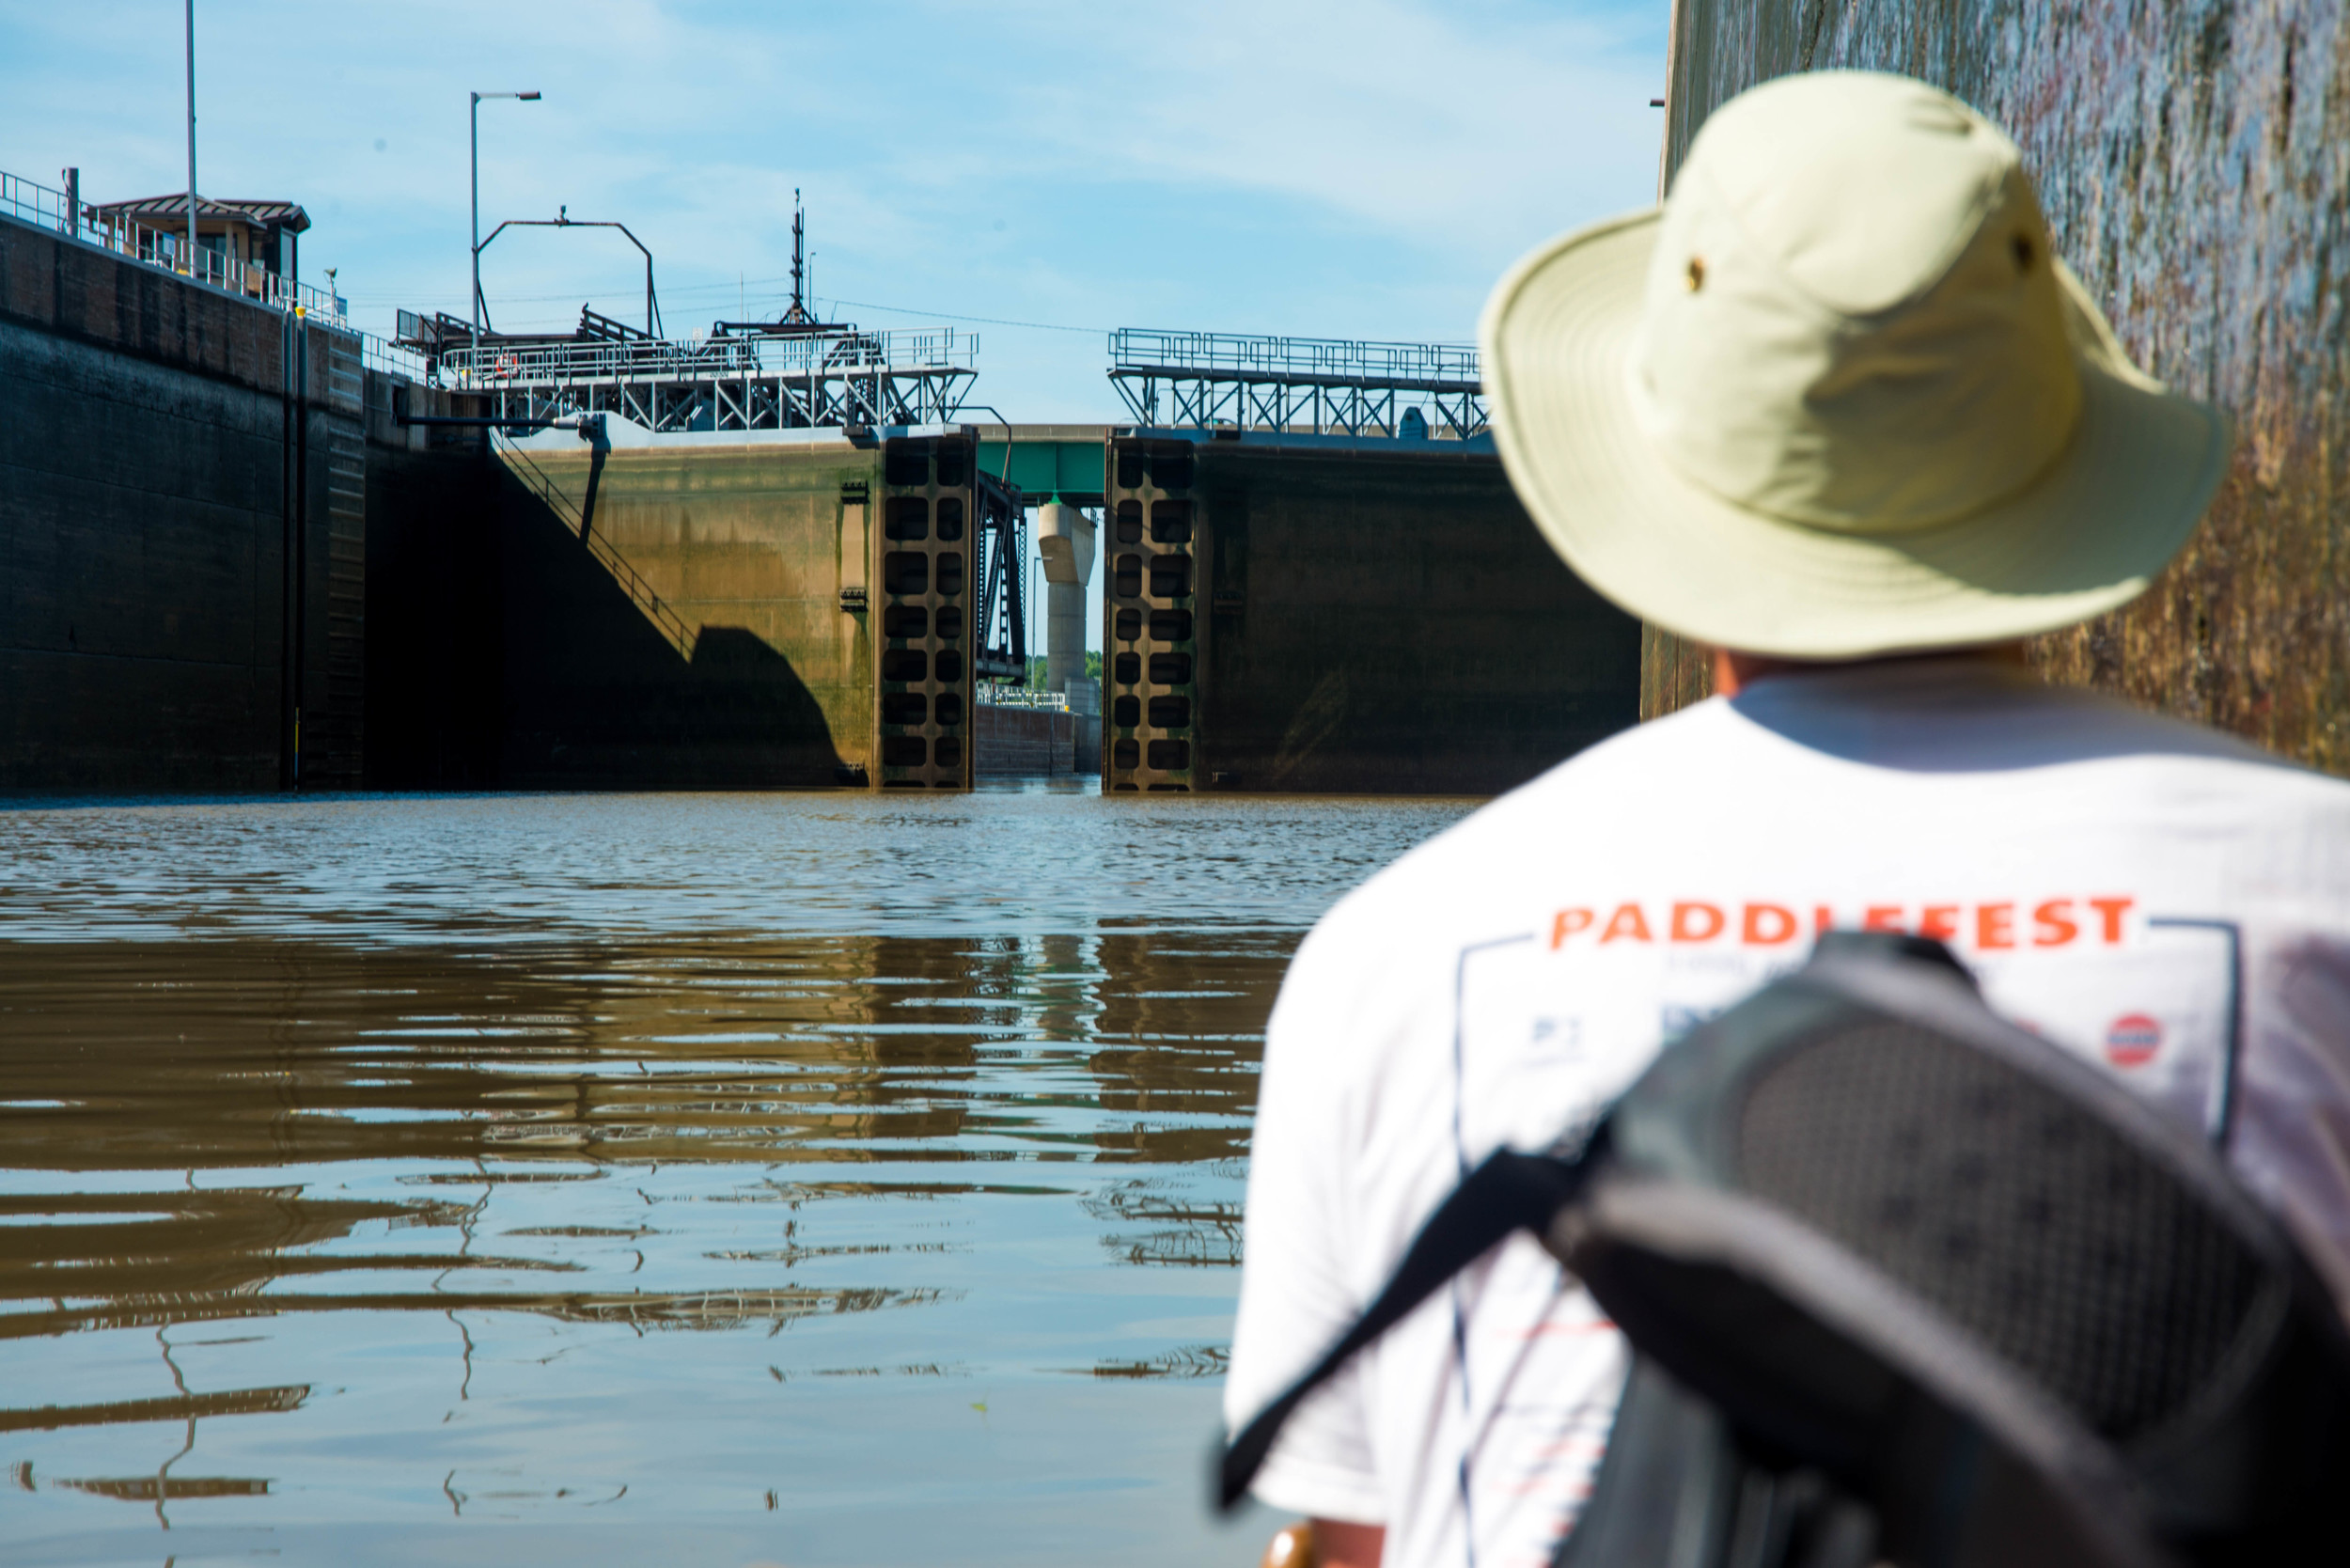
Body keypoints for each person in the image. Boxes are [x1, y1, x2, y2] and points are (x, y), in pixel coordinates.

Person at [1222, 70, 2350, 1568]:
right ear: (2060, 450)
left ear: (1663, 476)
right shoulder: (2319, 884)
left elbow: (1351, 1537)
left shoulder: (1392, 951)